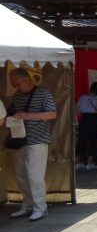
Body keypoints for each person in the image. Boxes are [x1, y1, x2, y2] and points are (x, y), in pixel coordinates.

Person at [7, 67, 57, 222]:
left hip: (38, 140)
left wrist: (27, 116)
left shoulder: (44, 93)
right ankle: (28, 204)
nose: (16, 88)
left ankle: (40, 208)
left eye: (18, 84)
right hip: (19, 140)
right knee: (21, 175)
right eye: (14, 85)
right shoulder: (17, 96)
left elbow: (52, 114)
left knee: (35, 175)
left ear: (27, 80)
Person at [76, 81, 97, 171]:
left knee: (82, 139)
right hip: (94, 119)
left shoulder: (83, 97)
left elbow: (77, 110)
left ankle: (78, 162)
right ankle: (90, 163)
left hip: (84, 119)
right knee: (94, 140)